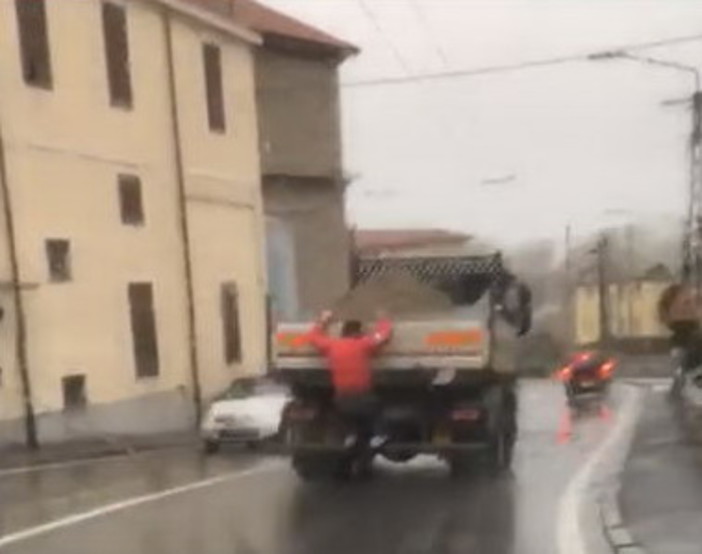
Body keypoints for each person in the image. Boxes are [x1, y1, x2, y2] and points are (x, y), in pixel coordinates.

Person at [306, 310, 393, 463]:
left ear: (342, 333)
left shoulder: (332, 345)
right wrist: (383, 320)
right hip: (363, 397)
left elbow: (313, 337)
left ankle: (350, 435)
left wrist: (323, 320)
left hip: (342, 399)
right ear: (358, 332)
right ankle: (378, 435)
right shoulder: (363, 344)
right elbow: (383, 336)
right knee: (375, 410)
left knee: (347, 416)